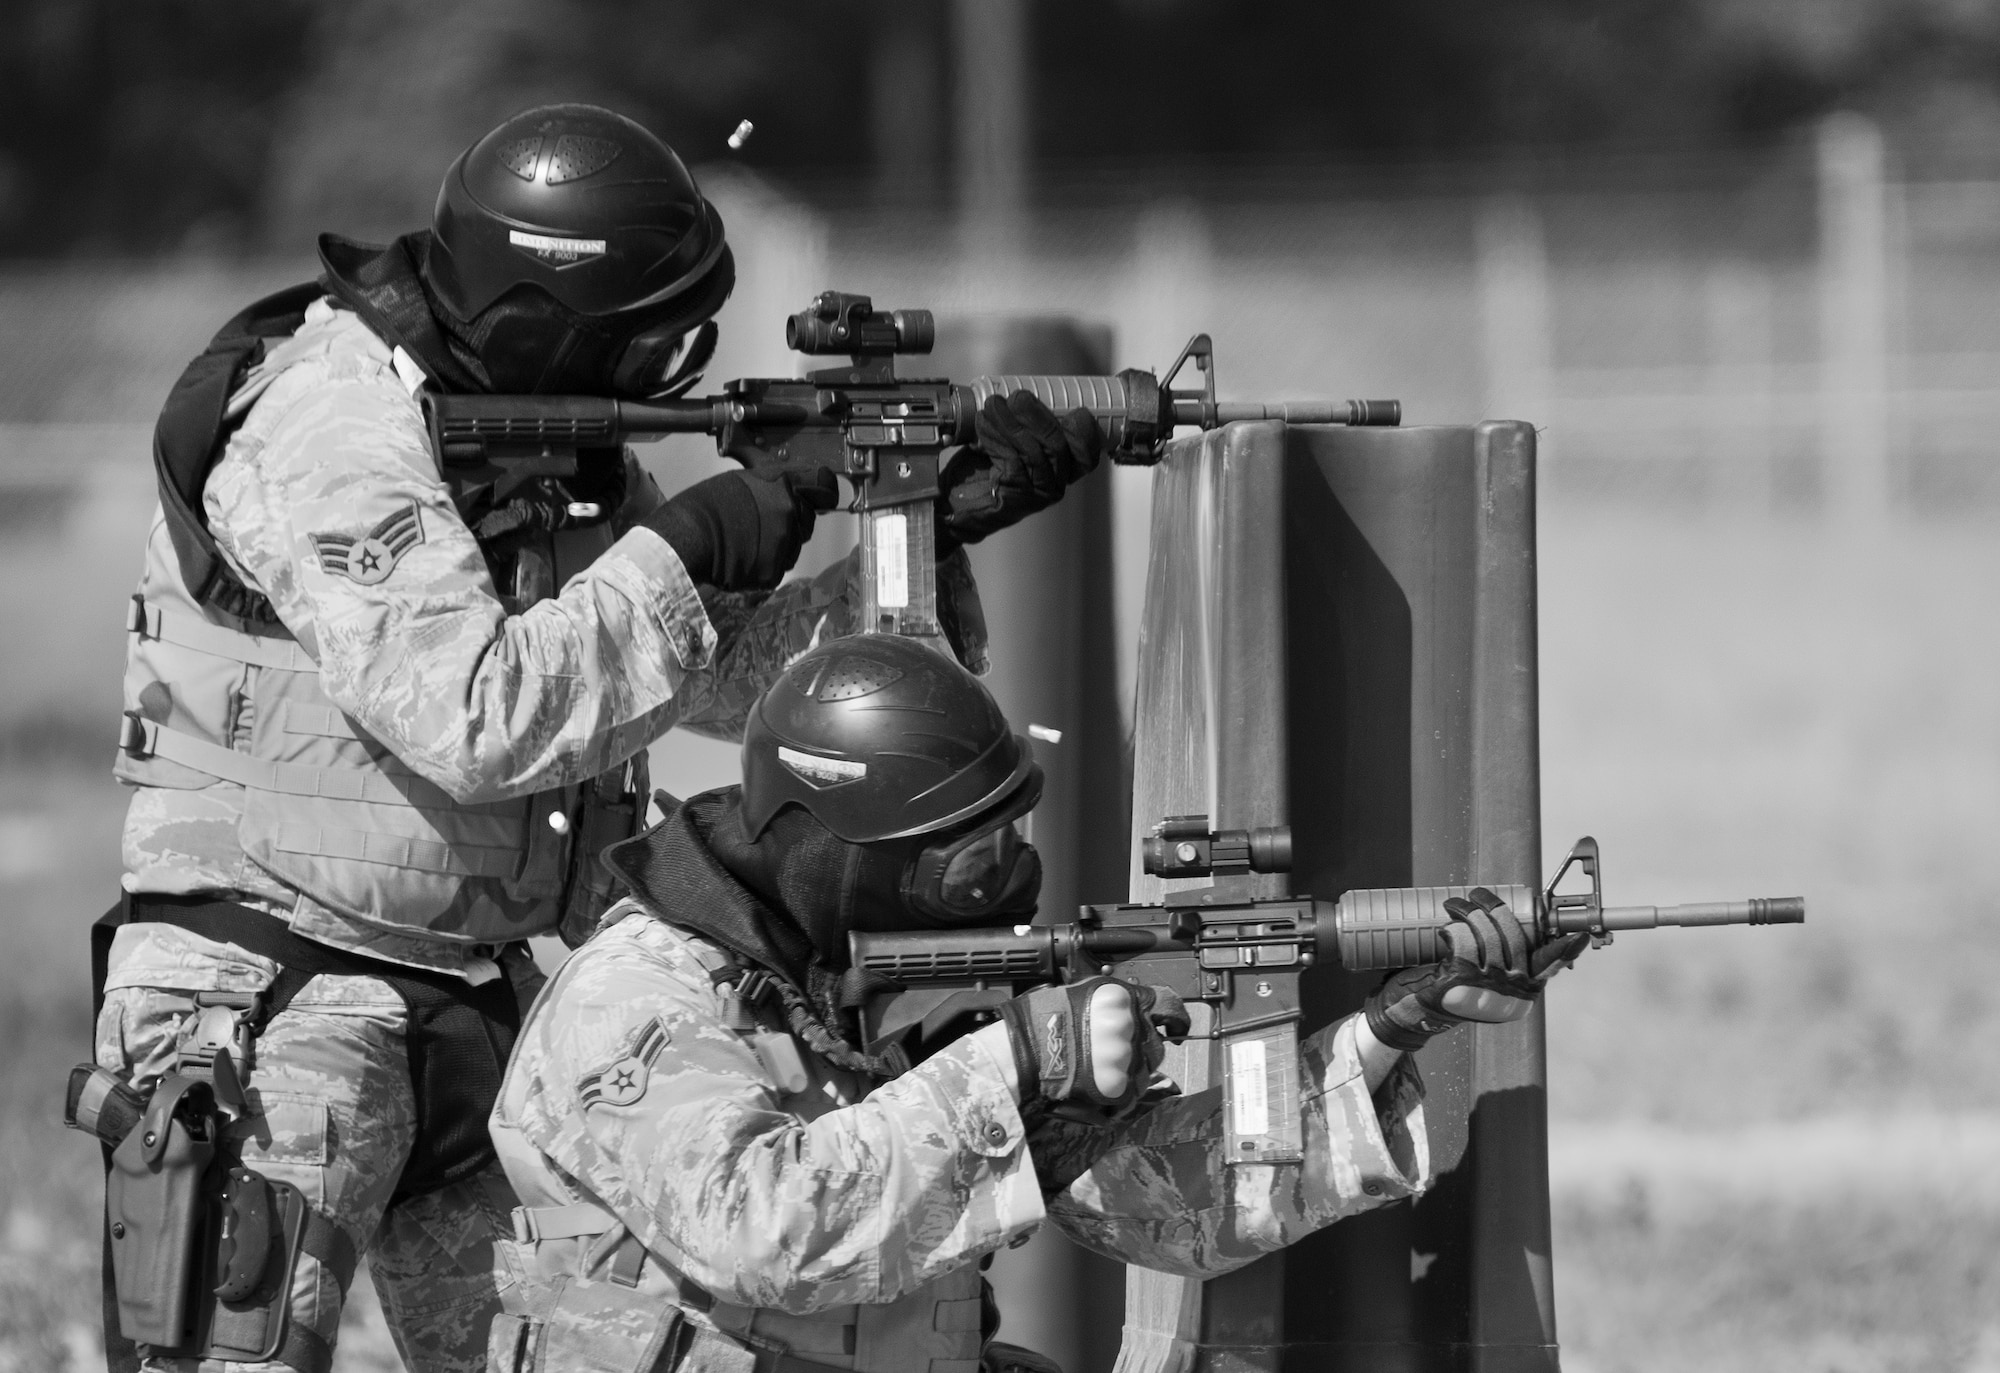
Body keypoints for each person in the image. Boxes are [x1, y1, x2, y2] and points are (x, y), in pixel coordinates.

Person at [86, 104, 1102, 1373]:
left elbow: (705, 676)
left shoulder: (554, 442)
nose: (664, 371)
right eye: (645, 340)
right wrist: (698, 538)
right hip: (273, 990)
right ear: (543, 318)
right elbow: (478, 711)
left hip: (478, 999)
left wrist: (917, 541)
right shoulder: (325, 427)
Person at [487, 633, 1582, 1373]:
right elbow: (766, 1231)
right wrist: (1014, 1059)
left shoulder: (876, 981)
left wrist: (1387, 1029)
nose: (1006, 881)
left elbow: (1155, 1207)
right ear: (840, 857)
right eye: (967, 863)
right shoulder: (638, 997)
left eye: (1008, 839)